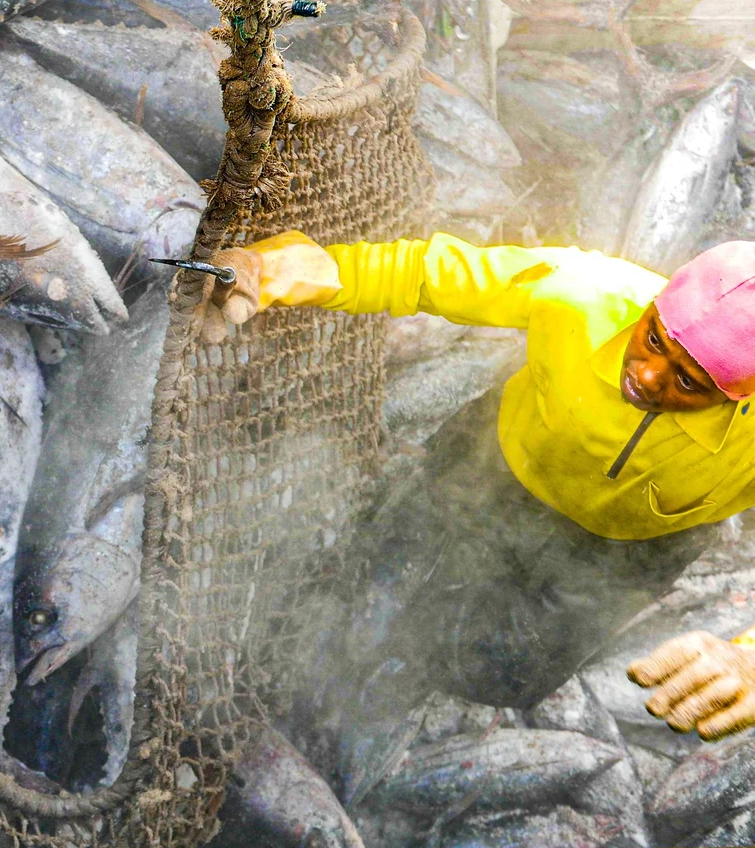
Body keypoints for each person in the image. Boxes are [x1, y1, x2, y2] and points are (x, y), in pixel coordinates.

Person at [198, 231, 755, 754]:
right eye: (653, 339)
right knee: (389, 551)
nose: (649, 376)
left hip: (623, 547)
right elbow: (423, 273)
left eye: (688, 382)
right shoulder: (584, 292)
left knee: (506, 671)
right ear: (654, 303)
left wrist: (748, 660)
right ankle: (362, 637)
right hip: (496, 461)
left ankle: (418, 677)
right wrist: (273, 268)